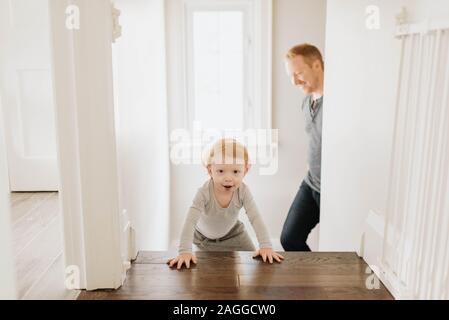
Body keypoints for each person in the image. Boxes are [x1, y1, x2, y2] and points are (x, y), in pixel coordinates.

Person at [168, 138, 284, 269]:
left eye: (235, 171)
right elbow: (190, 221)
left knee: (257, 261)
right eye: (221, 171)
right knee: (205, 273)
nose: (228, 178)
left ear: (246, 170)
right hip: (204, 239)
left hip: (233, 234)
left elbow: (255, 217)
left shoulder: (243, 191)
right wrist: (184, 251)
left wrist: (266, 246)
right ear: (210, 170)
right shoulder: (203, 193)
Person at [281, 43, 324, 252]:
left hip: (333, 190)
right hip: (311, 183)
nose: (295, 81)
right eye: (291, 76)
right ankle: (310, 284)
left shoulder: (338, 103)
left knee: (337, 246)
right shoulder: (306, 101)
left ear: (316, 65)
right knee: (289, 239)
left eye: (298, 73)